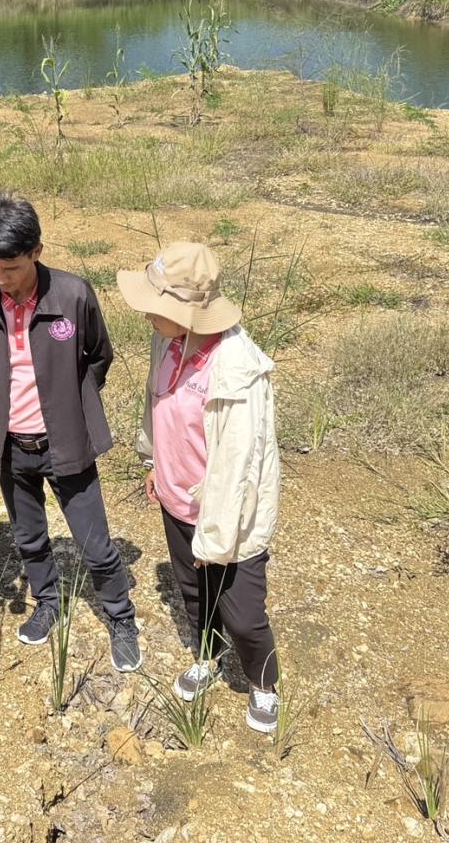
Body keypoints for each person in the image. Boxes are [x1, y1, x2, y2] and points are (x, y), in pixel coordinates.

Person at [0, 192, 142, 672]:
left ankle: (120, 617)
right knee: (29, 536)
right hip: (9, 446)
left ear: (37, 251)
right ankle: (47, 602)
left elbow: (97, 356)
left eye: (11, 268)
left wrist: (73, 404)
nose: (1, 280)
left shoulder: (72, 295)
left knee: (95, 543)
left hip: (66, 443)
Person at [116, 240, 282, 733]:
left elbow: (239, 465)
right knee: (195, 594)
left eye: (156, 307)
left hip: (228, 516)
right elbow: (159, 406)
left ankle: (263, 683)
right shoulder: (167, 340)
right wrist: (155, 462)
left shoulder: (237, 369)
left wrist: (215, 537)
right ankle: (208, 658)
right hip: (177, 498)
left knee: (245, 612)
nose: (147, 315)